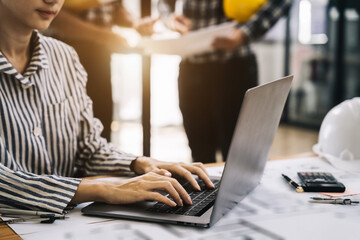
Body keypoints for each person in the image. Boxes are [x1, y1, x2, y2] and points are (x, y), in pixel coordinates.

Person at [0, 0, 213, 214]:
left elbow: (88, 149)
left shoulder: (64, 57)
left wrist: (139, 164)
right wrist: (103, 188)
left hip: (62, 224)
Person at [158, 0, 292, 163]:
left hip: (235, 67)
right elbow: (164, 3)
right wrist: (170, 19)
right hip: (192, 69)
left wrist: (246, 32)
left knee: (238, 155)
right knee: (200, 155)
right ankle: (207, 189)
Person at [48, 0, 157, 141]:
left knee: (99, 128)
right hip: (65, 51)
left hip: (101, 56)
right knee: (65, 132)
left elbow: (112, 7)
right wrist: (104, 36)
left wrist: (135, 23)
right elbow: (54, 15)